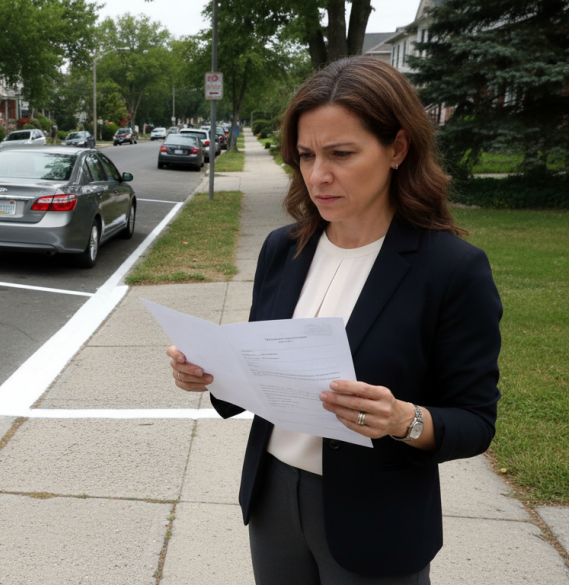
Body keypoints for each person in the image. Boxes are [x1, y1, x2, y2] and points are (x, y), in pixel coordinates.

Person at [167, 56, 502, 584]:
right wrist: (208, 374)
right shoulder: (285, 248)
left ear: (397, 148)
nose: (318, 175)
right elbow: (251, 381)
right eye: (305, 155)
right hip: (273, 495)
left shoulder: (451, 269)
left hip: (377, 517)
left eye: (341, 154)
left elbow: (476, 422)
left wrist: (402, 420)